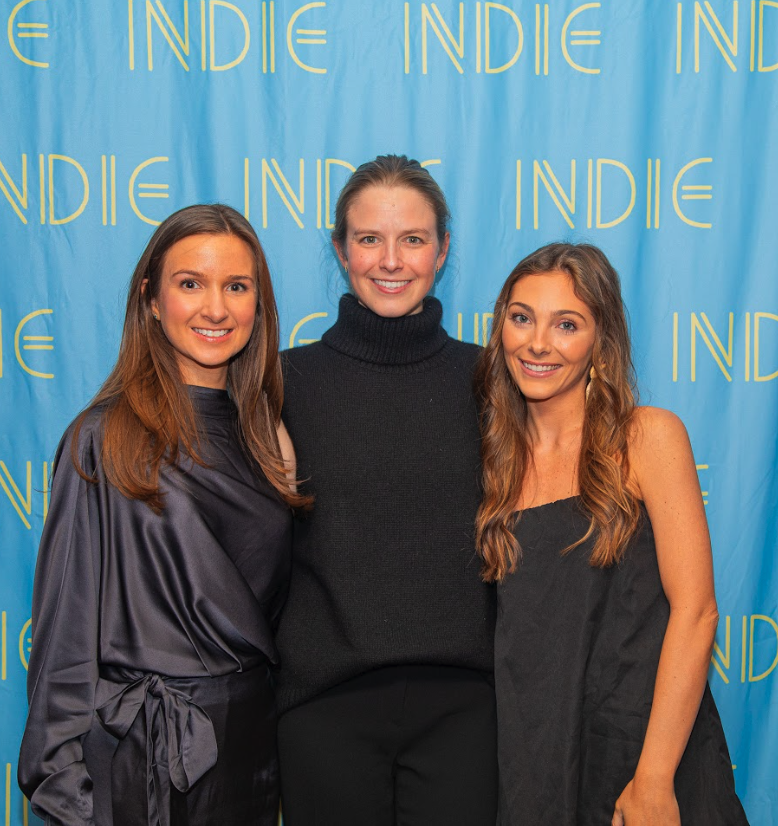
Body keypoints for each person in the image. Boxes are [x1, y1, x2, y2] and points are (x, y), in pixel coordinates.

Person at [18, 204, 307, 826]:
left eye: (237, 286)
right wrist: (64, 789)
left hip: (250, 749)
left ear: (259, 305)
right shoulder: (103, 437)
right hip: (140, 754)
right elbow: (66, 628)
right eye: (191, 283)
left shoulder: (268, 436)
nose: (216, 309)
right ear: (151, 299)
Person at [475, 243, 749, 826]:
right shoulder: (494, 463)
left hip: (643, 754)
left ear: (601, 342)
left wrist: (654, 778)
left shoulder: (645, 437)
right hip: (535, 763)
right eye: (521, 318)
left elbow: (696, 612)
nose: (538, 343)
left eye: (566, 324)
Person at [275, 155, 497, 825]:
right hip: (323, 709)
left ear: (443, 249)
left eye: (413, 239)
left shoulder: (495, 381)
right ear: (341, 248)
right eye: (369, 238)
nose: (391, 261)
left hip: (468, 710)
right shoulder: (280, 384)